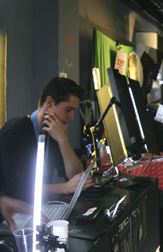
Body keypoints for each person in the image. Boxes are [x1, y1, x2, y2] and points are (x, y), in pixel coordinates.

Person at [0, 77, 94, 209]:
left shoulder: (53, 132)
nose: (71, 117)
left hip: (37, 210)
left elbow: (75, 177)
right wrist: (64, 188)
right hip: (12, 216)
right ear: (49, 102)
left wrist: (63, 140)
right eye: (68, 110)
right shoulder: (14, 132)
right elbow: (20, 190)